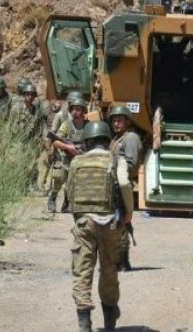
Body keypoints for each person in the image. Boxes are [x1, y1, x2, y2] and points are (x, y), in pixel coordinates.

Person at [68, 121, 131, 332]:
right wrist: (129, 213)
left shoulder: (76, 161)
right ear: (107, 140)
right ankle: (110, 320)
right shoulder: (116, 159)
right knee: (109, 270)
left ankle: (84, 324)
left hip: (84, 222)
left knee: (82, 272)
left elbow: (70, 193)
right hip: (110, 223)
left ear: (87, 141)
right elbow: (124, 184)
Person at [108, 105, 143, 270]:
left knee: (120, 224)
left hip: (121, 186)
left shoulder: (131, 138)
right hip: (113, 185)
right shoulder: (117, 139)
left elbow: (131, 163)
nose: (116, 124)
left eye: (119, 121)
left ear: (127, 122)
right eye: (114, 121)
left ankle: (122, 261)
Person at [48, 96, 88, 213]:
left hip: (81, 158)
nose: (75, 112)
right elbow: (56, 141)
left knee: (73, 182)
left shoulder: (88, 126)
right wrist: (68, 147)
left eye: (78, 109)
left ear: (83, 111)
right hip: (65, 158)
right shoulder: (66, 125)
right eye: (73, 109)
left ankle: (66, 203)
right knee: (59, 179)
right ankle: (52, 199)